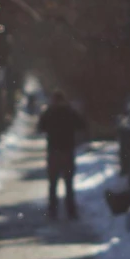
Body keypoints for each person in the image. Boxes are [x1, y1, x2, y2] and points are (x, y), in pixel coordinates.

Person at [38, 90, 86, 220]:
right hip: (67, 150)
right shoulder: (69, 112)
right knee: (68, 182)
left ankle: (53, 210)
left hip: (54, 151)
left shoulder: (49, 112)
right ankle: (71, 210)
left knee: (53, 183)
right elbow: (82, 125)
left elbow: (40, 127)